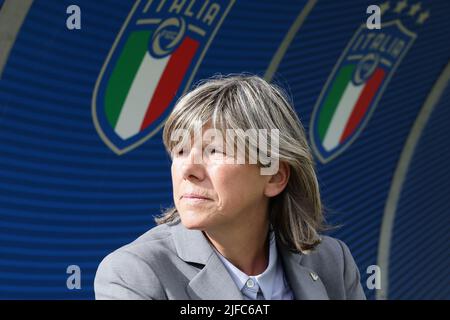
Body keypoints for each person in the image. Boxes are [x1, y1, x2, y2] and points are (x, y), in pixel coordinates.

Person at [94, 74, 366, 300]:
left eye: (214, 150)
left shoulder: (332, 261)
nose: (188, 170)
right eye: (180, 151)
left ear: (274, 177)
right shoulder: (134, 273)